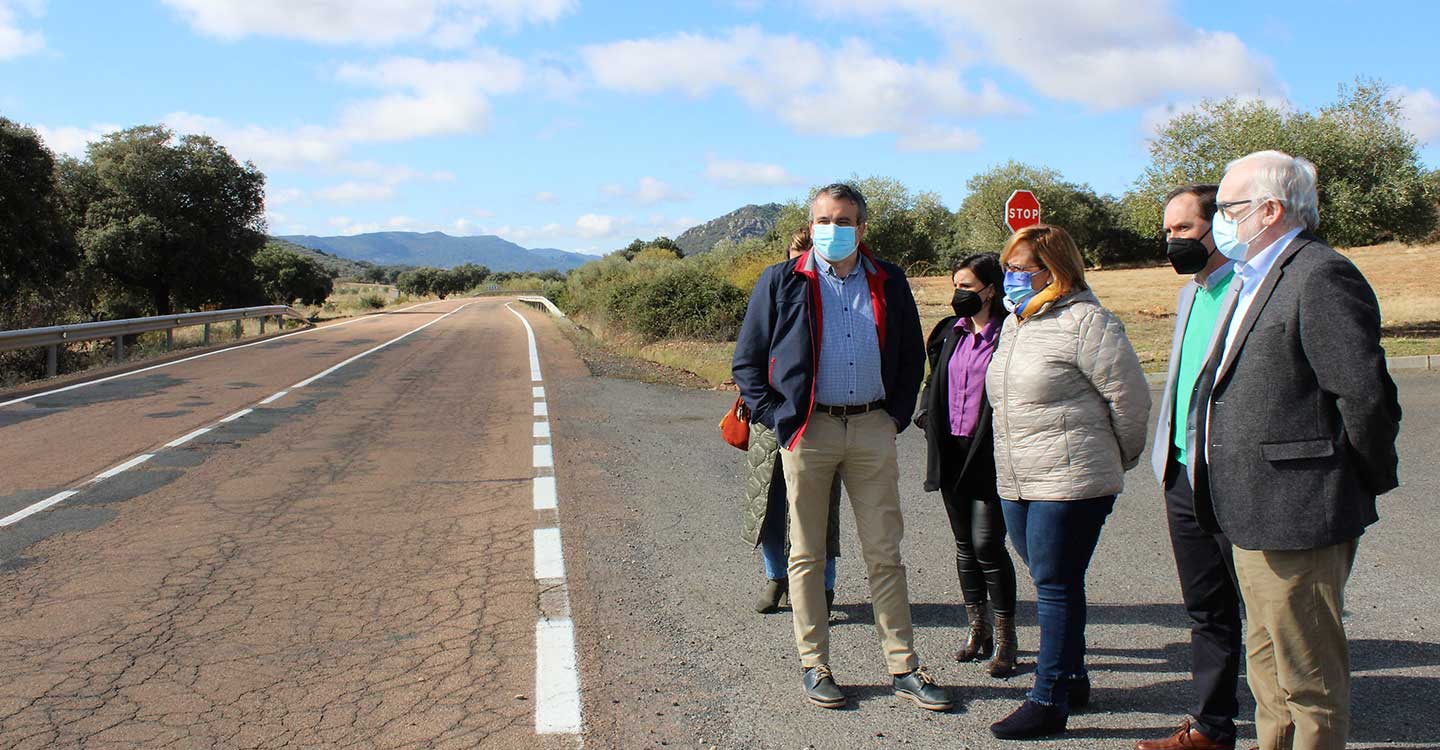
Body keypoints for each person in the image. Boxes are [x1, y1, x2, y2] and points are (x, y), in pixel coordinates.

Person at [1192, 151, 1401, 750]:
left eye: (1228, 209)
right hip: (1249, 512)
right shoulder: (1250, 278)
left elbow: (1364, 397)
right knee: (1267, 675)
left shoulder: (1319, 274)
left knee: (1309, 684)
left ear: (1271, 210)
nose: (1219, 222)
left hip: (1300, 514)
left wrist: (1350, 482)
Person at [732, 183, 950, 712]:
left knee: (885, 553)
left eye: (842, 219)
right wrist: (778, 419)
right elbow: (748, 361)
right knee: (805, 551)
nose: (831, 229)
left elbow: (907, 354)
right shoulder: (781, 280)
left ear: (862, 226)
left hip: (872, 426)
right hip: (809, 430)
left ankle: (904, 666)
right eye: (822, 219)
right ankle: (815, 664)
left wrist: (894, 416)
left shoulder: (889, 279)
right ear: (811, 224)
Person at [984, 224, 1151, 740]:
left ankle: (1048, 697)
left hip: (1073, 479)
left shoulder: (1088, 322)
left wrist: (1114, 460)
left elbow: (1131, 401)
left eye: (1020, 269)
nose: (1009, 278)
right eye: (1006, 269)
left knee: (1054, 584)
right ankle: (1074, 676)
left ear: (1054, 270)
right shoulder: (1018, 322)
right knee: (1052, 577)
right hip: (1018, 476)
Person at [1137, 184, 1244, 750]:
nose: (1173, 240)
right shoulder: (1190, 296)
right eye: (1169, 230)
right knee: (1207, 610)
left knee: (1269, 616)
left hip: (1235, 478)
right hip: (1183, 474)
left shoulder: (1249, 293)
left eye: (1183, 229)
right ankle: (1212, 726)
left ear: (1218, 226)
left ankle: (1289, 726)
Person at [914, 252, 1019, 677]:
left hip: (991, 454)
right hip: (951, 451)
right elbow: (933, 378)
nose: (959, 295)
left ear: (991, 290)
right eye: (955, 286)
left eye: (968, 287)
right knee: (963, 546)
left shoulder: (1010, 334)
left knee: (987, 545)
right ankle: (978, 630)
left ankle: (1007, 638)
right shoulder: (948, 333)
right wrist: (926, 414)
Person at [743, 227, 843, 615]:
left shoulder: (834, 292)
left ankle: (823, 588)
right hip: (772, 420)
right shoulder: (773, 284)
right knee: (768, 505)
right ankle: (775, 579)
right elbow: (749, 354)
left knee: (821, 510)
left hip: (821, 420)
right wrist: (767, 411)